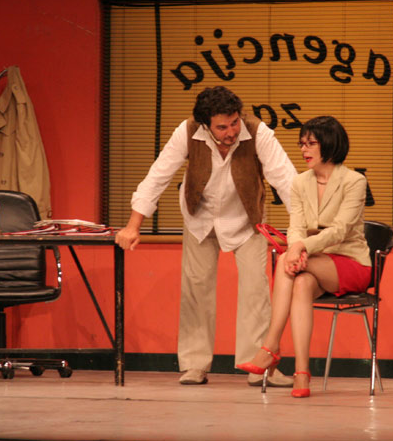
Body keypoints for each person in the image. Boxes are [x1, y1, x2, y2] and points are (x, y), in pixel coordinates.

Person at [115, 86, 297, 386]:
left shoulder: (258, 132)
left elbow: (287, 181)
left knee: (256, 291)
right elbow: (158, 175)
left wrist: (303, 232)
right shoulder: (187, 132)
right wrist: (134, 225)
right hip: (199, 218)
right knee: (196, 290)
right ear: (206, 125)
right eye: (222, 127)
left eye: (234, 122)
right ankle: (194, 365)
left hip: (247, 220)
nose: (231, 131)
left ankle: (259, 366)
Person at [237, 115, 371, 398]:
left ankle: (270, 346)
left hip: (350, 262)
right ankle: (301, 373)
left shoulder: (354, 181)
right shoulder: (299, 183)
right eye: (301, 144)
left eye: (311, 143)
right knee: (299, 282)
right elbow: (296, 225)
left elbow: (340, 230)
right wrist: (296, 247)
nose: (303, 149)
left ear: (329, 144)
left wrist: (299, 249)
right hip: (312, 262)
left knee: (286, 264)